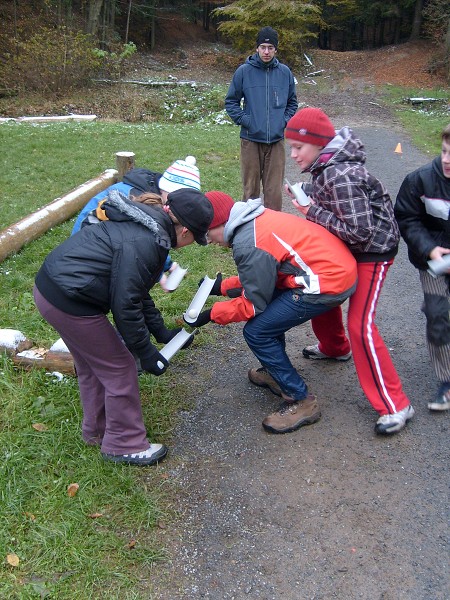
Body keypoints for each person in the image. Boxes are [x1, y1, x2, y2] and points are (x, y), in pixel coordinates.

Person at [34, 188, 213, 466]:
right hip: (70, 300)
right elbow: (125, 305)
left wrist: (161, 333)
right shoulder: (147, 241)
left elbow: (137, 292)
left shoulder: (148, 225)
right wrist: (146, 352)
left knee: (94, 365)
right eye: (196, 240)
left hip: (52, 290)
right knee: (120, 367)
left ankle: (98, 431)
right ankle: (123, 443)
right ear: (187, 232)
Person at [284, 107, 415, 435]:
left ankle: (396, 404)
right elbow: (333, 200)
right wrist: (309, 195)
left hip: (373, 253)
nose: (293, 153)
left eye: (298, 147)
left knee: (361, 326)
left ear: (317, 145)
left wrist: (310, 210)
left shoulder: (340, 174)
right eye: (291, 147)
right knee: (321, 290)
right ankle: (334, 347)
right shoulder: (327, 167)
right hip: (354, 247)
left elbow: (360, 231)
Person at [185, 191, 358, 434]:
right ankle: (276, 373)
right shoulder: (253, 220)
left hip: (328, 282)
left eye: (206, 234)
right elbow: (264, 276)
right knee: (267, 319)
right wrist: (221, 287)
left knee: (258, 331)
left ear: (222, 222)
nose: (208, 241)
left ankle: (301, 400)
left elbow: (254, 303)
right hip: (330, 269)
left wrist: (211, 314)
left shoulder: (248, 242)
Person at [394, 123, 450, 411]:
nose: (447, 159)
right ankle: (447, 381)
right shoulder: (420, 180)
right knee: (438, 316)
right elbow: (406, 217)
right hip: (433, 264)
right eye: (444, 151)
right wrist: (430, 249)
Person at [225, 26, 298, 211]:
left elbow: (292, 103)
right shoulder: (244, 72)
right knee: (251, 192)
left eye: (270, 47)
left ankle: (272, 234)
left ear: (276, 49)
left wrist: (283, 121)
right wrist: (246, 121)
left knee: (274, 193)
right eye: (263, 47)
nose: (266, 51)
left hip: (276, 141)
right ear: (257, 48)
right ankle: (249, 232)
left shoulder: (284, 73)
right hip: (250, 141)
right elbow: (231, 102)